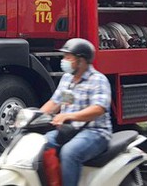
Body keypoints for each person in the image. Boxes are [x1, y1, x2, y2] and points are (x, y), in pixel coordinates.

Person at [40, 38, 112, 186]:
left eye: (68, 57)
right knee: (41, 144)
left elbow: (98, 108)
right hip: (69, 130)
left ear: (81, 60)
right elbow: (55, 102)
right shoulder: (68, 79)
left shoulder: (98, 80)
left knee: (69, 153)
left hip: (95, 132)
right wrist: (34, 117)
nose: (64, 61)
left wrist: (68, 115)